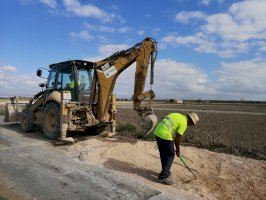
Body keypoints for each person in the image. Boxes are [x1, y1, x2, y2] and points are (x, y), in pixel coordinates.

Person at [153, 112, 199, 185]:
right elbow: (177, 138)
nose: (190, 125)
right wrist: (178, 150)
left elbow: (164, 119)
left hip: (158, 132)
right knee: (170, 155)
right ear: (190, 120)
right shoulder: (184, 122)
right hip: (165, 135)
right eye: (192, 123)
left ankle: (165, 172)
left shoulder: (176, 115)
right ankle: (163, 177)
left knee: (163, 153)